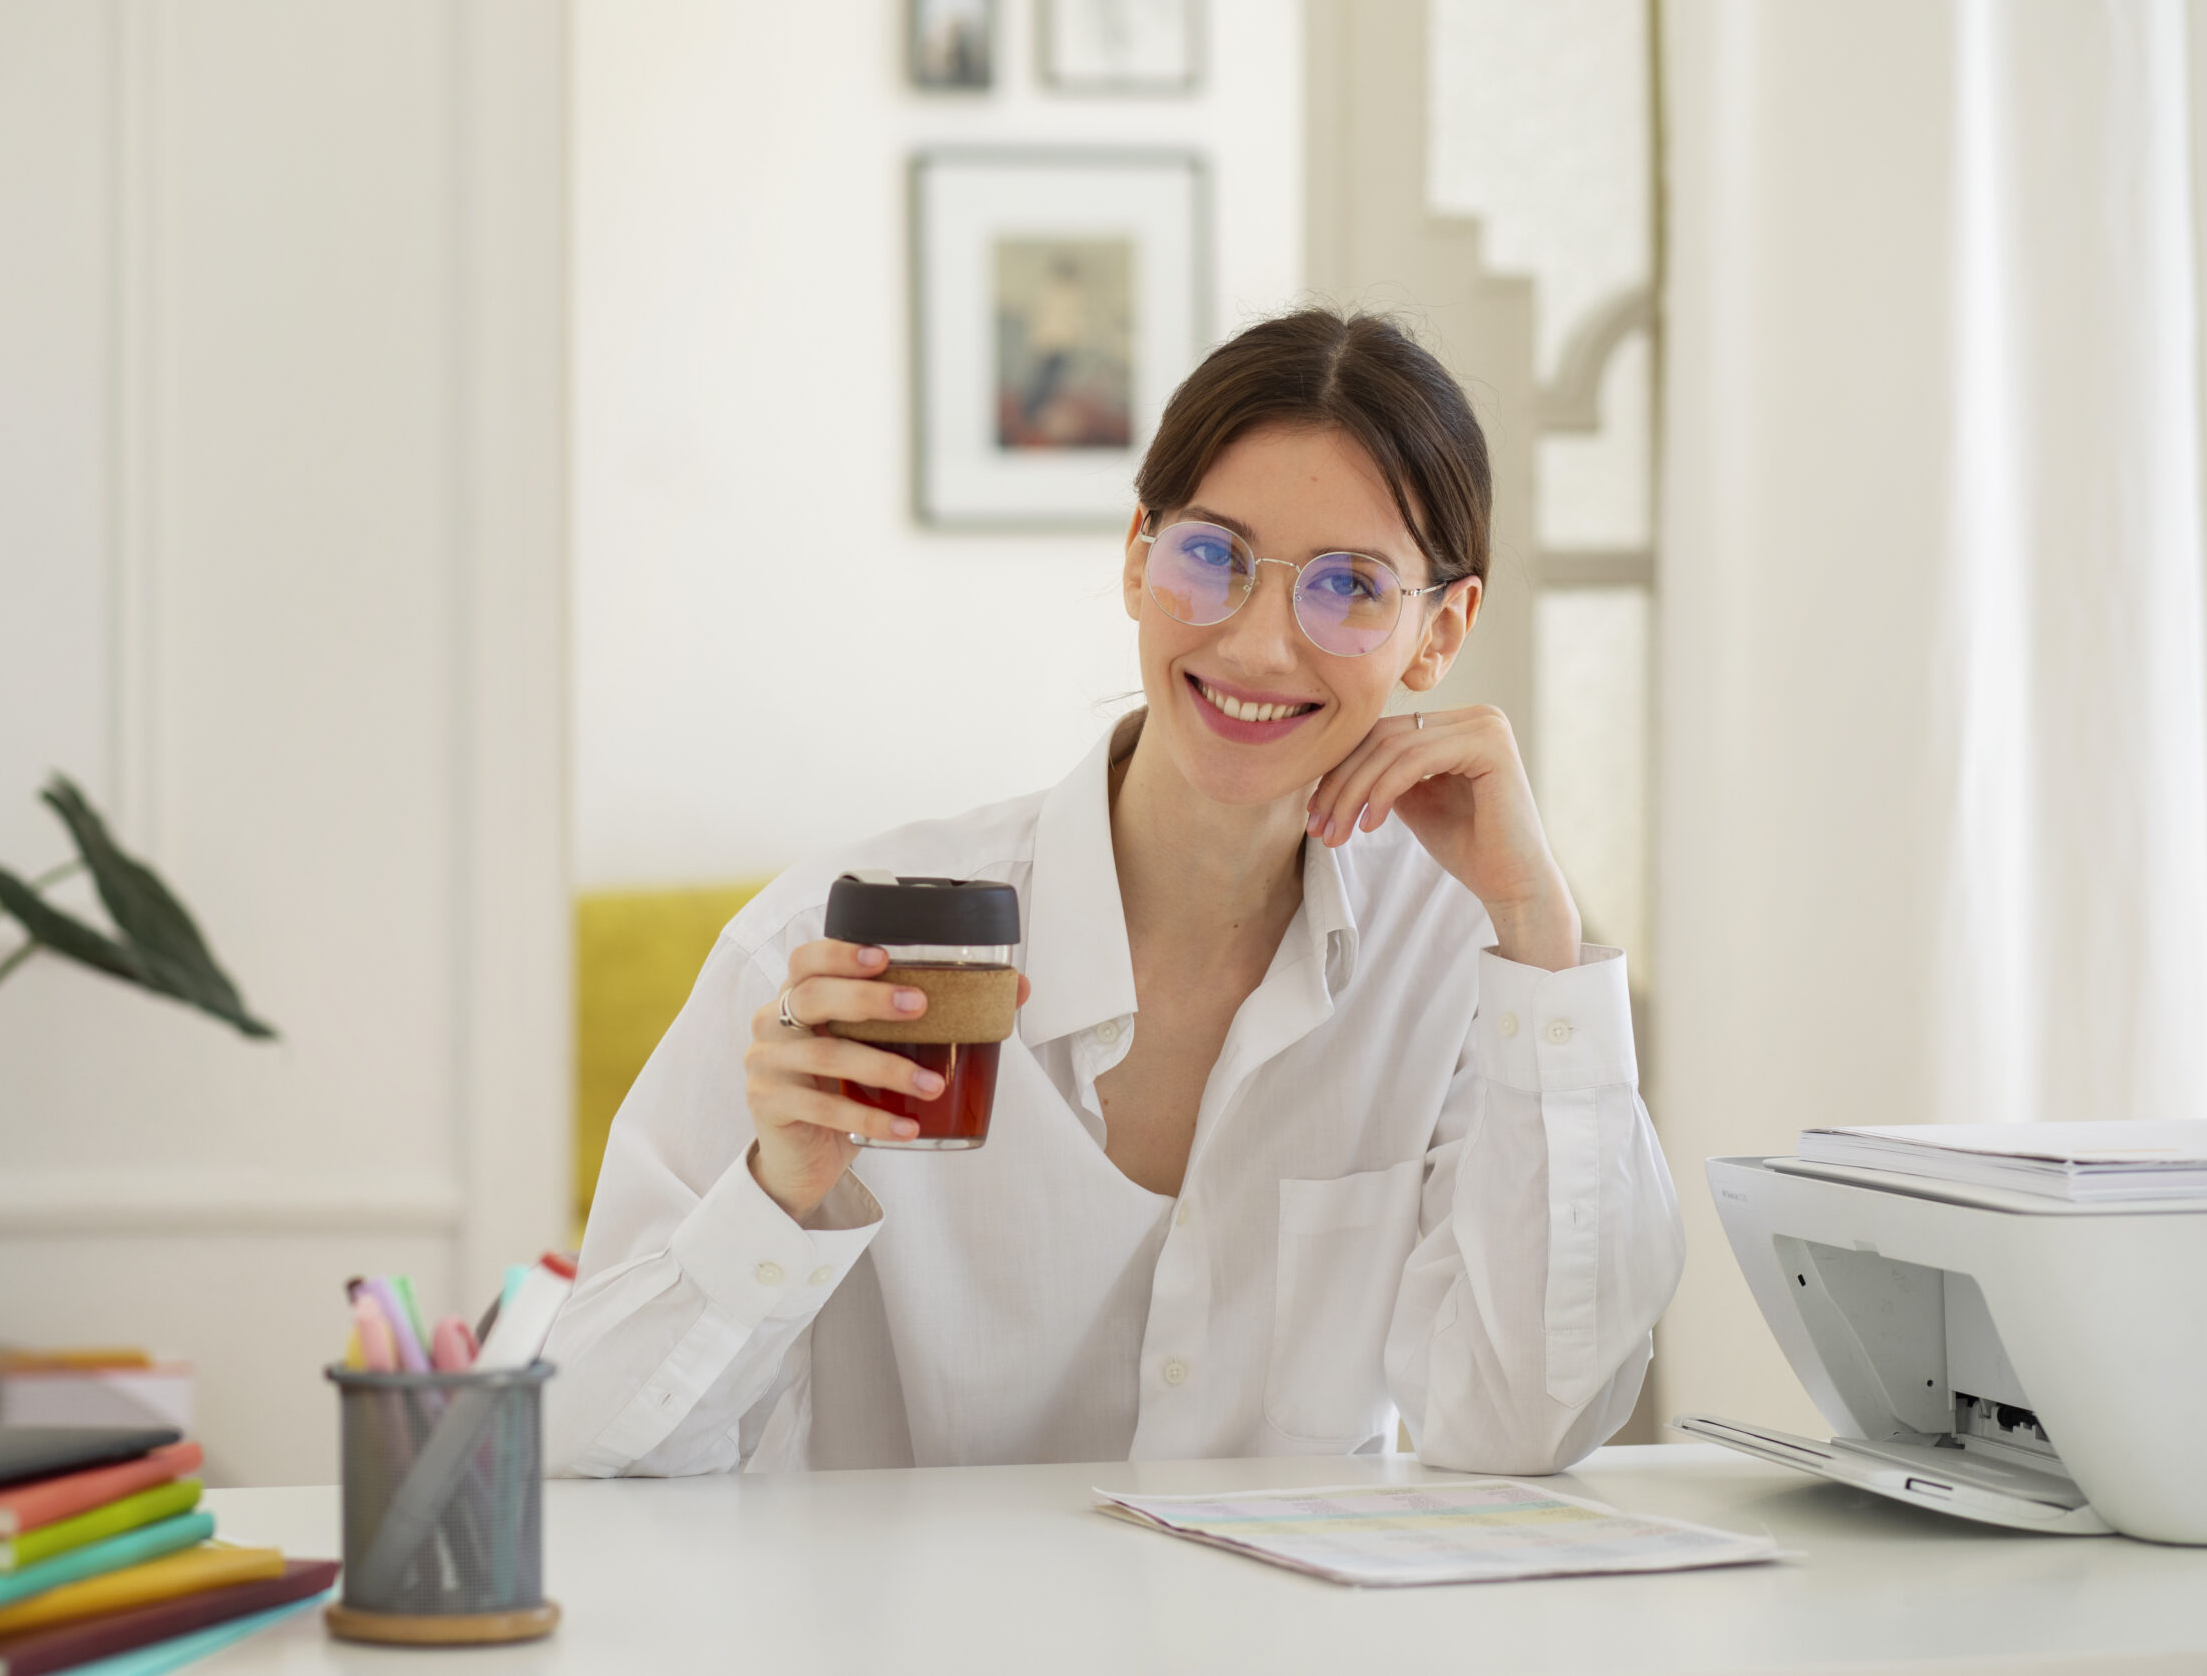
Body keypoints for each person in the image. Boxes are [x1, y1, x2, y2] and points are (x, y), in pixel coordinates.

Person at [541, 309, 1684, 1476]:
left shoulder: (1452, 961)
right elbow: (585, 1459)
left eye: (1348, 586)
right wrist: (775, 1195)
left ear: (1439, 633)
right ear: (1138, 557)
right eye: (1212, 558)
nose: (1257, 645)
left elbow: (1529, 1421)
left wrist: (1540, 930)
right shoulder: (817, 961)